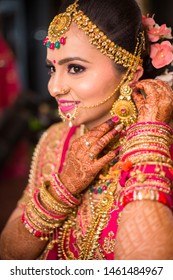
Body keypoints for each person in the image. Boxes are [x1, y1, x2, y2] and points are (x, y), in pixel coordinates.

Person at [0, 0, 173, 260]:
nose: (54, 87)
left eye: (75, 68)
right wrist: (63, 189)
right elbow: (8, 257)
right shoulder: (55, 139)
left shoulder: (162, 144)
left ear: (131, 74)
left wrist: (147, 140)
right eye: (52, 68)